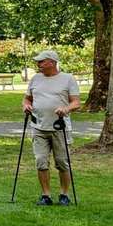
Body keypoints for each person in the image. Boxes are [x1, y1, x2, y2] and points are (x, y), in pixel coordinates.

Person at [22, 49, 81, 206]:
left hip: (59, 127)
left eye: (41, 61)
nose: (38, 64)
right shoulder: (35, 79)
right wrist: (26, 106)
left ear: (52, 62)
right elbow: (27, 99)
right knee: (41, 161)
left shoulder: (67, 79)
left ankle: (64, 194)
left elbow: (76, 102)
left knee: (62, 162)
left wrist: (66, 109)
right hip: (38, 127)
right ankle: (46, 195)